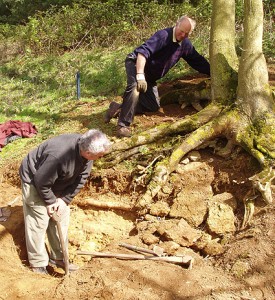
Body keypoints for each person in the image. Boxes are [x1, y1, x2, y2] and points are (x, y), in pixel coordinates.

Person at [19, 129, 111, 275]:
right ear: (88, 152)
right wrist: (49, 202)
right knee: (39, 218)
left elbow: (81, 179)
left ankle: (59, 258)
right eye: (99, 156)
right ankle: (38, 263)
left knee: (61, 215)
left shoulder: (87, 155)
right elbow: (41, 182)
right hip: (35, 178)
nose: (100, 158)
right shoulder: (59, 155)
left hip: (55, 180)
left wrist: (63, 200)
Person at [105, 15, 210, 137]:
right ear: (176, 24)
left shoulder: (185, 44)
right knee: (135, 88)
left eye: (187, 34)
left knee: (152, 106)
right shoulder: (163, 36)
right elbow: (142, 53)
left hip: (150, 75)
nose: (183, 36)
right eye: (181, 31)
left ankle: (118, 108)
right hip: (136, 64)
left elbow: (197, 60)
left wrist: (212, 71)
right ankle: (123, 126)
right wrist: (139, 75)